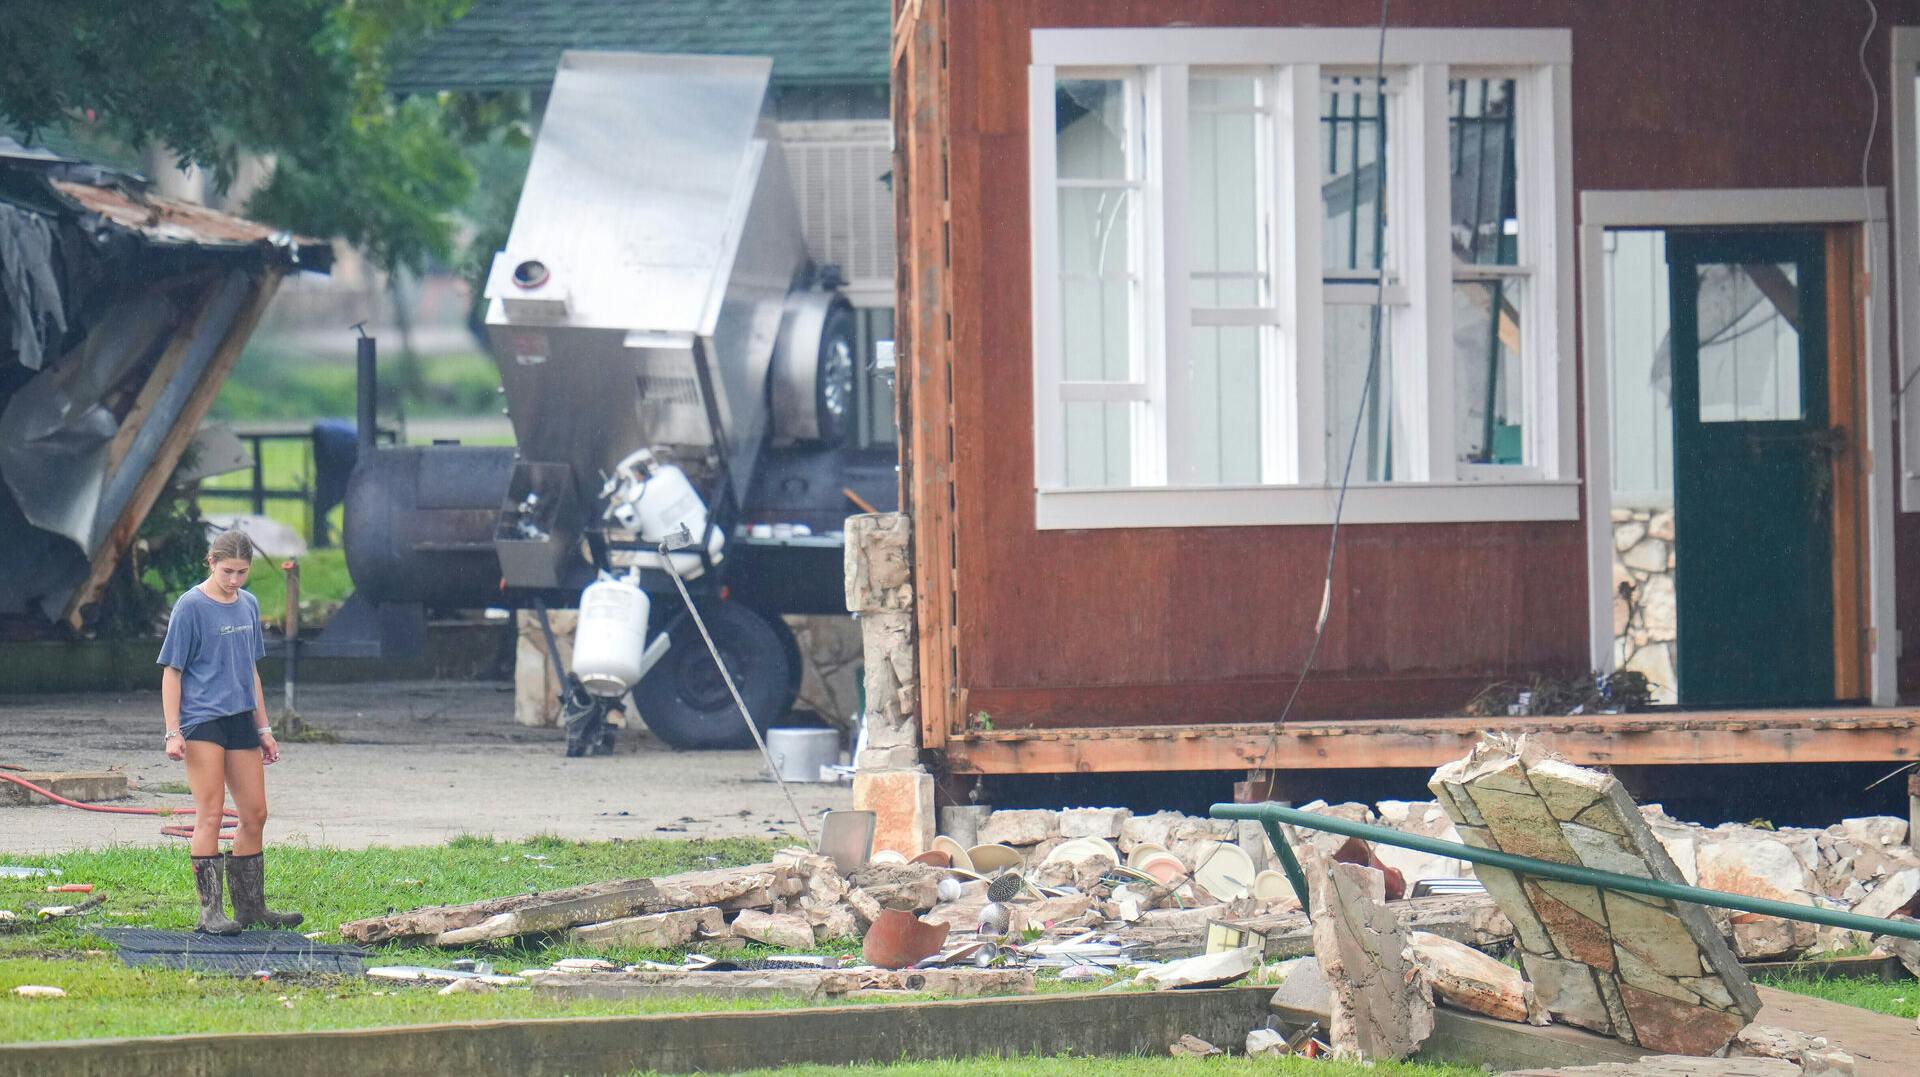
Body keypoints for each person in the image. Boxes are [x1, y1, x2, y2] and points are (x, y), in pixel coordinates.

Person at [158, 529, 302, 934]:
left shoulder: (249, 605)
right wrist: (173, 731)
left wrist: (265, 728)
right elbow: (173, 671)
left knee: (255, 812)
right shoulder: (191, 606)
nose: (235, 580)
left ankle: (251, 907)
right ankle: (210, 913)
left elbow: (250, 671)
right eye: (228, 571)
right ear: (211, 563)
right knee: (211, 813)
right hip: (202, 720)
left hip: (241, 718)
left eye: (242, 572)